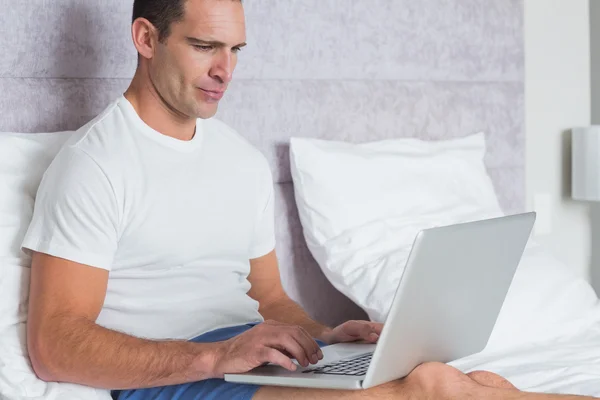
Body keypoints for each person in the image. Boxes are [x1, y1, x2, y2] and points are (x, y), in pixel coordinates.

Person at [23, 0, 596, 399]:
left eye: (237, 49)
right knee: (431, 389)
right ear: (146, 39)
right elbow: (54, 344)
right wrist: (212, 358)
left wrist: (322, 333)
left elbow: (269, 297)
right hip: (174, 376)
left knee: (472, 382)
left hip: (251, 356)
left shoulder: (240, 161)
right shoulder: (95, 165)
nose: (226, 71)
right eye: (205, 47)